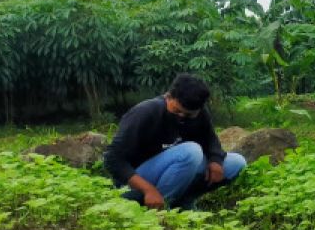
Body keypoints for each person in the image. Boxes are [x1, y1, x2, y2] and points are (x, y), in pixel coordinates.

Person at [104, 73, 246, 209]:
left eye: (188, 115)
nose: (181, 116)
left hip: (173, 171)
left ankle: (183, 201)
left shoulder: (200, 114)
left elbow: (210, 141)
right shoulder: (146, 112)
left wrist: (215, 161)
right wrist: (148, 190)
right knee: (191, 151)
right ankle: (161, 206)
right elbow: (112, 158)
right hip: (137, 178)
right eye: (177, 111)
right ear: (169, 96)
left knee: (236, 163)